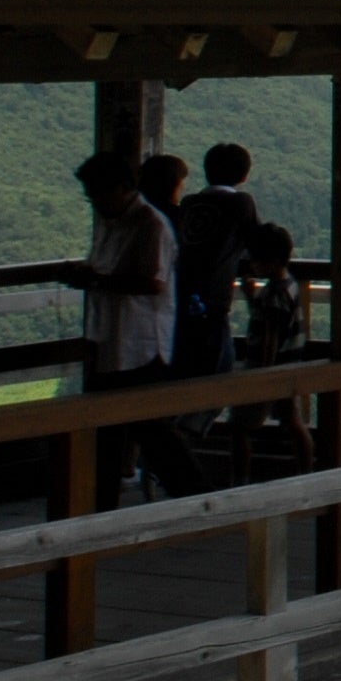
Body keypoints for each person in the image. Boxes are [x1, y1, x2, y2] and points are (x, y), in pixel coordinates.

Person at [73, 152, 201, 505]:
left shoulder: (150, 224)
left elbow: (153, 283)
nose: (95, 202)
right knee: (115, 432)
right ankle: (101, 504)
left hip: (141, 345)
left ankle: (194, 497)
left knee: (153, 432)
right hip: (110, 341)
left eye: (98, 194)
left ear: (122, 188)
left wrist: (96, 280)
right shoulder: (113, 222)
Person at [227, 223, 316, 482]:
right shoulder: (289, 285)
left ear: (271, 260)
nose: (251, 263)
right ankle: (306, 475)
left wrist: (261, 374)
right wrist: (252, 297)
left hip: (267, 370)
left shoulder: (273, 294)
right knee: (293, 422)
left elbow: (270, 334)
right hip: (289, 366)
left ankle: (239, 482)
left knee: (238, 426)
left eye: (255, 258)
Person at [168, 142, 261, 383]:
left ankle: (184, 418)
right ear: (244, 175)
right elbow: (258, 244)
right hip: (214, 300)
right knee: (216, 374)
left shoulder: (188, 203)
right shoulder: (241, 202)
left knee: (188, 369)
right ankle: (192, 421)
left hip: (181, 297)